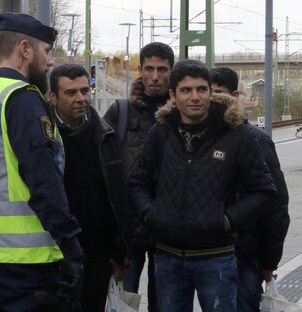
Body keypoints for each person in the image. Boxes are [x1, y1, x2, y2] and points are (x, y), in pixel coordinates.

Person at [0, 12, 84, 311]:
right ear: (25, 49)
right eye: (46, 51)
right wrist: (71, 246)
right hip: (26, 260)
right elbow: (42, 178)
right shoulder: (21, 98)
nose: (50, 62)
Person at [129, 59, 276, 311]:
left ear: (210, 92)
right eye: (186, 90)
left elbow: (265, 191)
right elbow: (137, 182)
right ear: (173, 95)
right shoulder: (161, 133)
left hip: (217, 258)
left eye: (201, 89)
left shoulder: (237, 135)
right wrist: (151, 214)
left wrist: (227, 220)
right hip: (167, 256)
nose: (195, 97)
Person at [48, 63, 131, 312]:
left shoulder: (105, 136)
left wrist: (119, 256)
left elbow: (118, 198)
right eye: (71, 93)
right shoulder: (44, 137)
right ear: (53, 97)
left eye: (85, 91)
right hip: (54, 254)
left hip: (96, 254)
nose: (81, 98)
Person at [210, 67, 290, 312]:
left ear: (234, 95)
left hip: (245, 253)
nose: (213, 101)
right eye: (209, 95)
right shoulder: (201, 139)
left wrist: (269, 260)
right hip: (210, 250)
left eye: (219, 94)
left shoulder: (256, 140)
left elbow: (275, 205)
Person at [103, 41, 174, 311]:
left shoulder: (179, 114)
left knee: (165, 303)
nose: (154, 76)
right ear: (140, 70)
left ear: (171, 71)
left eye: (161, 70)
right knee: (124, 301)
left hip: (167, 228)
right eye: (149, 69)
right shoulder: (120, 112)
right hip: (128, 229)